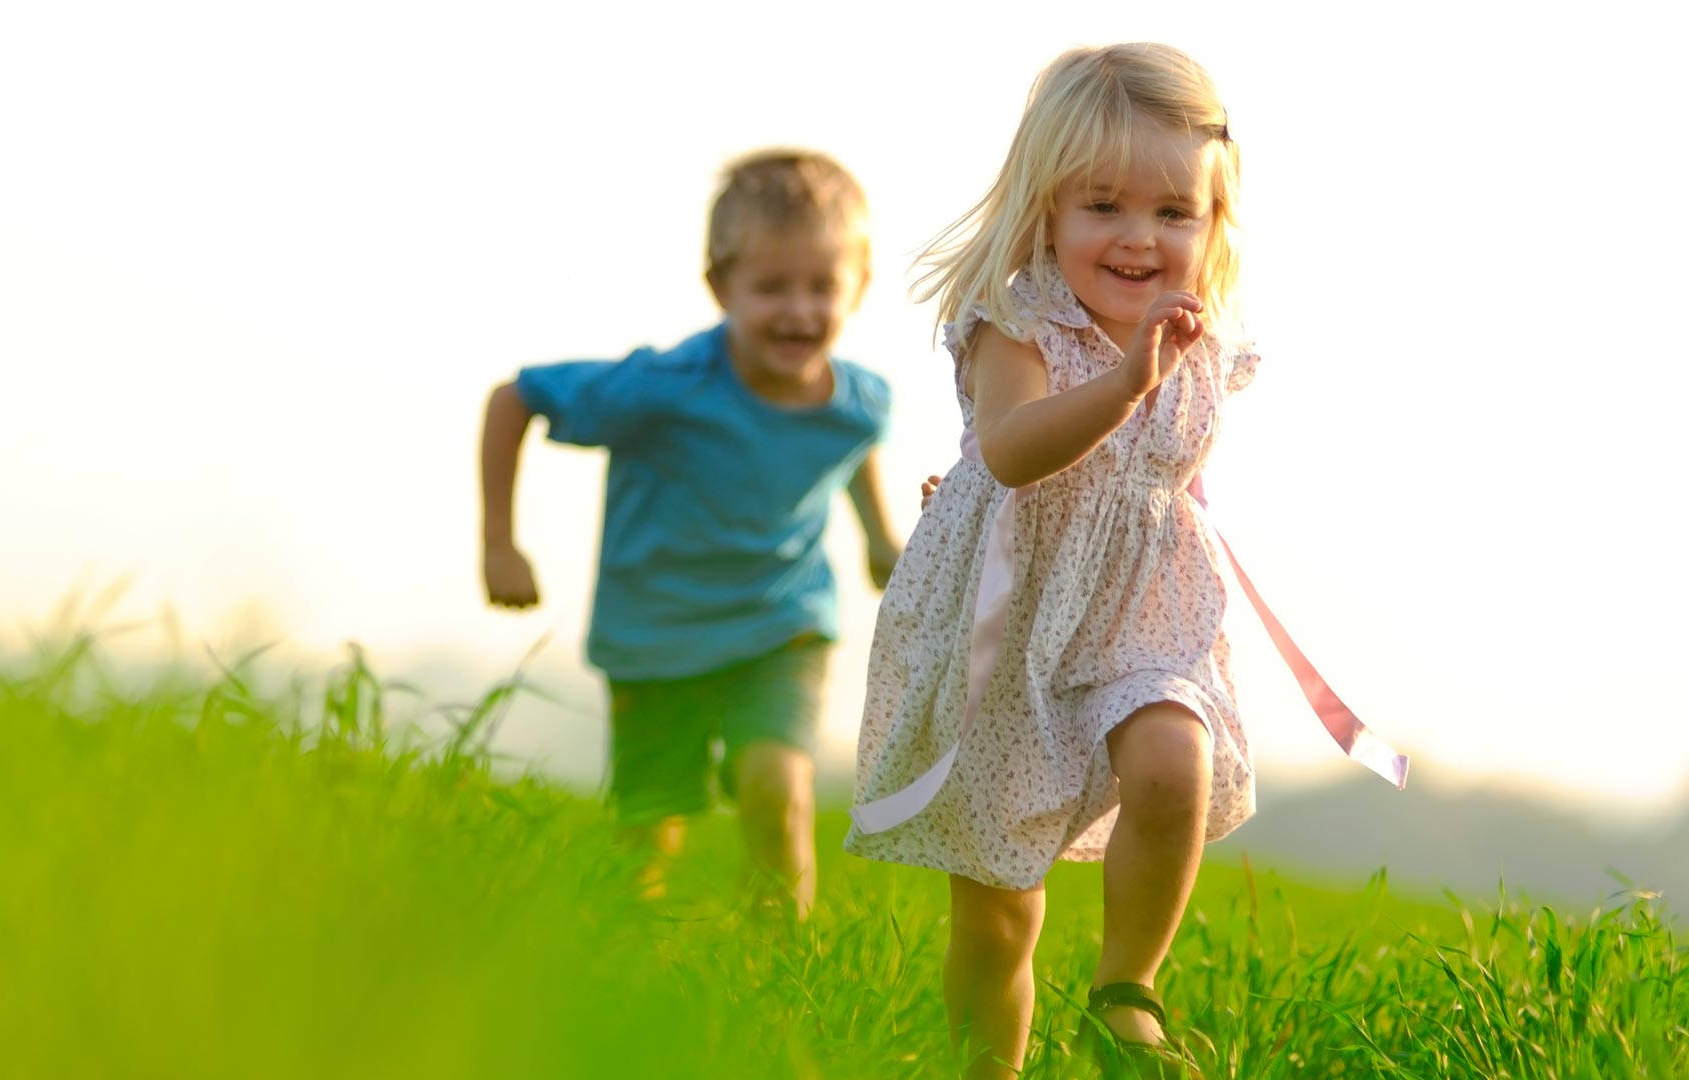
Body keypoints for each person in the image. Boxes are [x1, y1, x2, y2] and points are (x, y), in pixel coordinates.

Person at [844, 42, 1264, 1077]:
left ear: (1213, 225)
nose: (1139, 238)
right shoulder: (1019, 321)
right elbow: (1013, 449)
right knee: (998, 923)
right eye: (1103, 206)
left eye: (1175, 213)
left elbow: (1162, 472)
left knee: (1176, 755)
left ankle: (1126, 989)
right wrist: (1122, 384)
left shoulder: (1195, 337)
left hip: (1140, 612)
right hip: (1010, 623)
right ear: (1045, 210)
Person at [479, 150, 898, 922]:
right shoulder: (661, 389)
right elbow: (516, 399)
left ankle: (779, 966)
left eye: (820, 288)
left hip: (782, 626)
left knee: (780, 788)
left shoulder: (861, 400)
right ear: (720, 288)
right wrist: (501, 545)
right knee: (649, 825)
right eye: (771, 288)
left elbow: (850, 444)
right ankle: (636, 956)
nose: (798, 312)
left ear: (859, 286)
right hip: (656, 633)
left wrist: (879, 536)